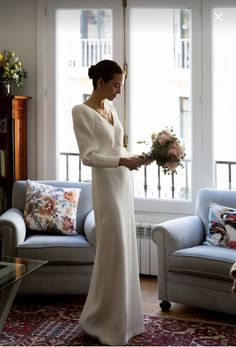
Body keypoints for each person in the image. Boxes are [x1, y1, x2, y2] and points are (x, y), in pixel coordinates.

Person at [72, 60, 145, 346]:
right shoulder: (81, 112)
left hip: (123, 184)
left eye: (120, 86)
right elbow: (88, 156)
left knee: (125, 251)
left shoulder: (112, 108)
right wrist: (121, 160)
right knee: (111, 253)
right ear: (100, 82)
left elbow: (118, 147)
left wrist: (137, 156)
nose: (118, 91)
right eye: (115, 85)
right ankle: (101, 319)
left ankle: (126, 318)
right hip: (105, 189)